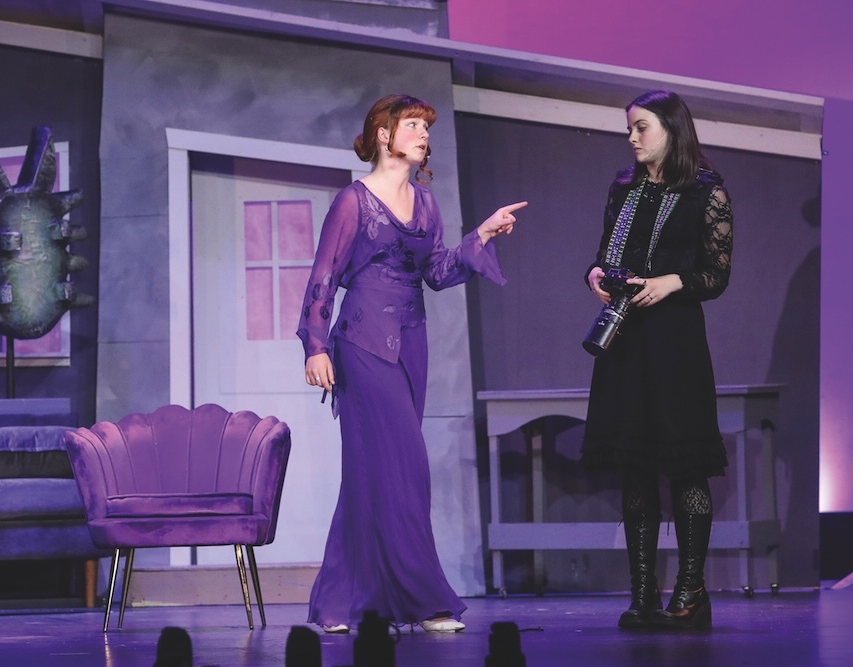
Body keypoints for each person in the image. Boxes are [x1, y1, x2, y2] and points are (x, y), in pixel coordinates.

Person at [297, 93, 527, 634]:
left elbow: (439, 273)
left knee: (368, 475)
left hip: (411, 344)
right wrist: (315, 346)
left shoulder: (425, 204)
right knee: (408, 469)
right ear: (384, 135)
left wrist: (481, 235)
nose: (424, 135)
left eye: (427, 127)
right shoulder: (353, 202)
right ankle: (427, 601)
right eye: (414, 125)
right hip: (362, 345)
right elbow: (323, 277)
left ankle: (339, 602)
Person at [582, 90, 733, 630]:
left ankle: (691, 593)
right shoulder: (624, 186)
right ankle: (643, 594)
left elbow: (717, 274)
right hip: (625, 339)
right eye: (630, 127)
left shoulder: (705, 192)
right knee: (636, 466)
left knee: (686, 465)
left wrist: (672, 281)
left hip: (675, 343)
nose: (632, 137)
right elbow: (606, 253)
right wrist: (595, 275)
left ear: (671, 129)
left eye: (641, 127)